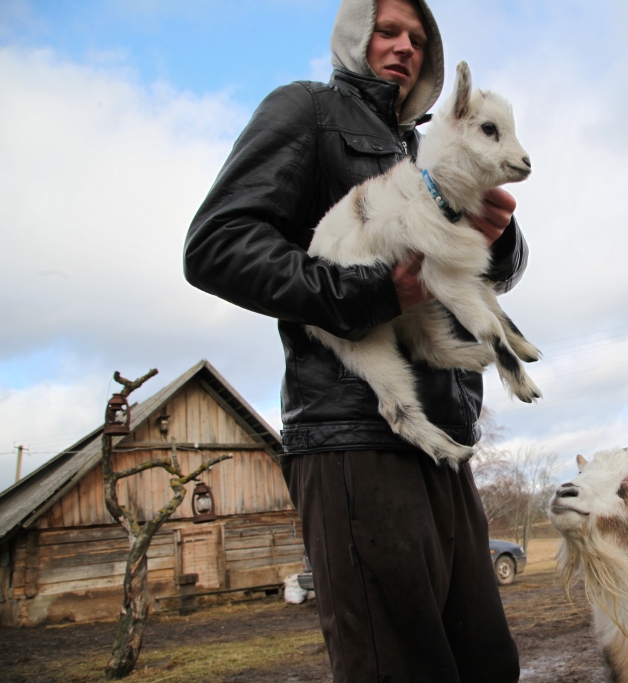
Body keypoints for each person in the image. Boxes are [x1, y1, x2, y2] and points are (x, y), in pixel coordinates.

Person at [183, 0, 525, 680]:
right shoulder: (307, 111)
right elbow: (217, 244)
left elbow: (497, 274)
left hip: (444, 443)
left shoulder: (428, 149)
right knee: (398, 666)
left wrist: (498, 234)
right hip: (352, 438)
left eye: (418, 39)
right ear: (353, 37)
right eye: (387, 31)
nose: (404, 48)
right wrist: (368, 291)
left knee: (487, 663)